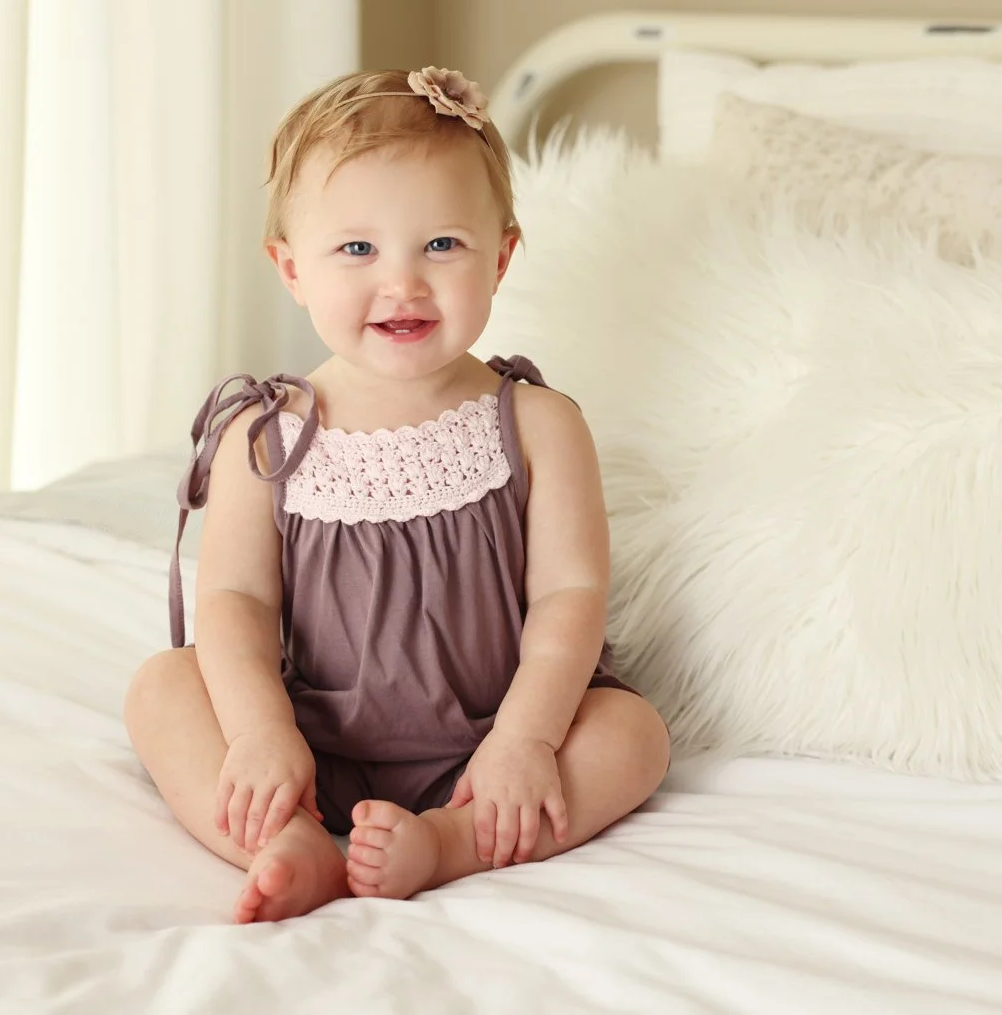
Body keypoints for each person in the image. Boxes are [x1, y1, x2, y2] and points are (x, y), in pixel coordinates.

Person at [123, 66, 672, 925]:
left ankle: (449, 842)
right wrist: (264, 732)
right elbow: (235, 601)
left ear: (501, 257)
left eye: (442, 245)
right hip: (308, 741)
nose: (403, 283)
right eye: (358, 250)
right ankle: (285, 838)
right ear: (291, 268)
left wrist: (524, 738)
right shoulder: (265, 437)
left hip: (490, 743)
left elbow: (570, 595)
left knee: (634, 737)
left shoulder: (537, 424)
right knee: (162, 688)